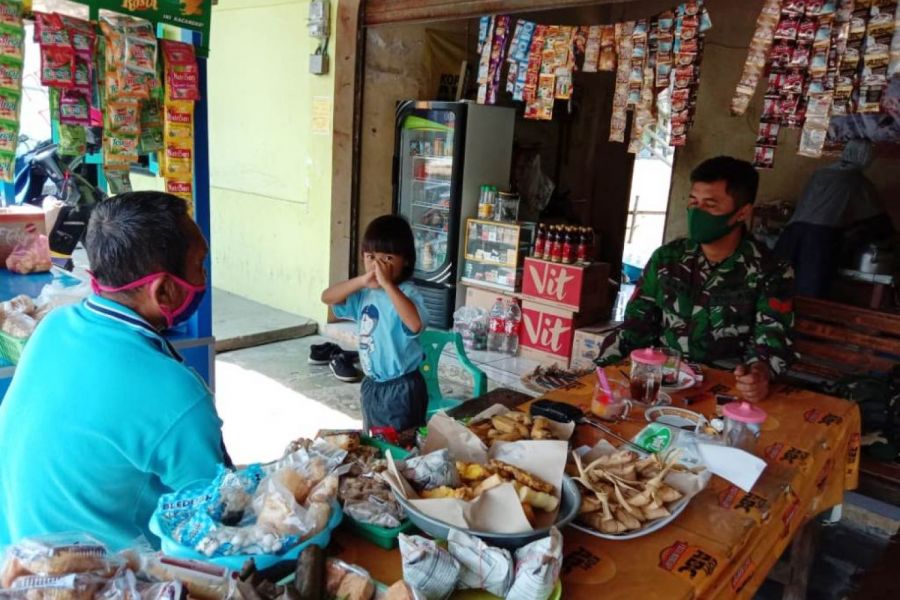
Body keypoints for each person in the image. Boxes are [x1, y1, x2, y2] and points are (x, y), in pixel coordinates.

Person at [0, 192, 228, 550]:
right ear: (164, 290)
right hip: (102, 580)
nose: (204, 277)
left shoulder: (53, 326)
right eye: (201, 265)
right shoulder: (177, 397)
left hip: (14, 564)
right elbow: (216, 521)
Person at [597, 156, 796, 402]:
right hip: (660, 382)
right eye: (693, 202)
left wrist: (758, 375)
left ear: (742, 212)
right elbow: (637, 323)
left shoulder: (770, 270)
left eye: (710, 205)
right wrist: (605, 370)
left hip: (727, 390)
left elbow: (771, 339)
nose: (697, 212)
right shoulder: (668, 258)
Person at [322, 215, 429, 431]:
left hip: (402, 388)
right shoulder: (364, 293)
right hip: (372, 385)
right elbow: (328, 297)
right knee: (374, 443)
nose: (377, 265)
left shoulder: (407, 294)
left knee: (402, 448)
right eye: (370, 257)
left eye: (387, 258)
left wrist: (388, 285)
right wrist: (362, 280)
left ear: (406, 260)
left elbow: (415, 324)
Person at [776, 140, 889, 298]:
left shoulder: (821, 173)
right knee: (809, 294)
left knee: (779, 286)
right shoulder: (857, 180)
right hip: (818, 241)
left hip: (791, 234)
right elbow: (878, 218)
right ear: (865, 157)